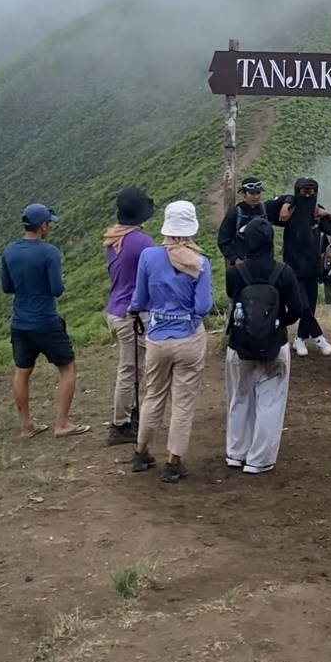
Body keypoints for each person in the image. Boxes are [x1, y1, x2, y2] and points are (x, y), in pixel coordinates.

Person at [129, 200, 213, 484]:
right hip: (188, 336)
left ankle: (141, 453)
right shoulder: (201, 262)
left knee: (154, 394)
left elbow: (139, 299)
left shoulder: (148, 257)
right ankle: (173, 461)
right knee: (183, 401)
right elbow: (203, 307)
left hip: (157, 337)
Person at [225, 217, 306, 473]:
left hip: (240, 346)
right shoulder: (284, 272)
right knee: (269, 402)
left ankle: (235, 453)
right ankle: (259, 460)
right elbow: (298, 309)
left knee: (239, 398)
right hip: (274, 345)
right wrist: (276, 322)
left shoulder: (235, 272)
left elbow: (232, 297)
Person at [1, 203, 88, 440]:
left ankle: (26, 426)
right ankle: (61, 424)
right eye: (49, 223)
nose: (50, 227)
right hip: (46, 321)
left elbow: (7, 287)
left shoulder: (9, 250)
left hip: (20, 322)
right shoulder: (49, 252)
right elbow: (57, 289)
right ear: (42, 227)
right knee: (68, 368)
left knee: (21, 373)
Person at [266, 178, 331, 358]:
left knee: (311, 305)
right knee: (302, 306)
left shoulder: (317, 210)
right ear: (297, 191)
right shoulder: (289, 209)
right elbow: (268, 206)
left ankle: (300, 339)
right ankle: (319, 338)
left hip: (312, 267)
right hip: (293, 267)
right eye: (304, 191)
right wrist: (287, 201)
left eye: (311, 191)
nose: (308, 195)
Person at [104, 187, 155, 445]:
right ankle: (121, 424)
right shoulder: (142, 242)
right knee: (130, 369)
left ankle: (127, 417)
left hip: (115, 309)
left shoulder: (113, 238)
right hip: (131, 315)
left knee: (130, 366)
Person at [217, 178, 266, 267]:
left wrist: (287, 203)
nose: (256, 197)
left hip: (264, 263)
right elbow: (223, 240)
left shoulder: (265, 210)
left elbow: (285, 199)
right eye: (251, 193)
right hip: (243, 265)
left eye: (258, 193)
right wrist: (235, 259)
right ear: (244, 194)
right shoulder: (235, 214)